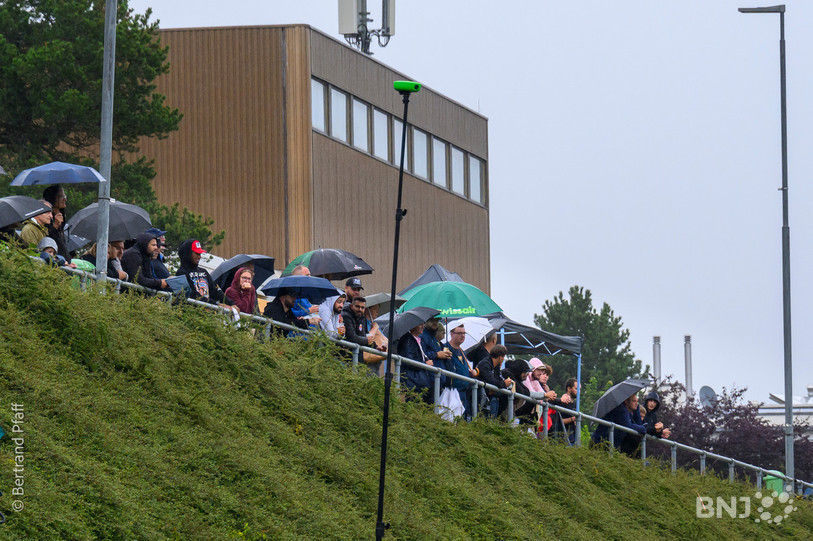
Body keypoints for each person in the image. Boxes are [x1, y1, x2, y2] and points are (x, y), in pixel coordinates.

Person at [176, 239, 229, 305]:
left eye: (200, 254)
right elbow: (193, 295)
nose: (199, 257)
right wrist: (215, 304)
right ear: (188, 253)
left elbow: (216, 291)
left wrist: (231, 303)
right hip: (194, 311)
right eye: (197, 253)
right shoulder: (181, 273)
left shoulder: (203, 271)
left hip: (209, 311)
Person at [443, 323, 478, 420]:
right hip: (452, 391)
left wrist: (471, 373)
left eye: (464, 333)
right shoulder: (446, 348)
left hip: (464, 393)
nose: (462, 336)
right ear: (451, 334)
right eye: (459, 333)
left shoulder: (462, 351)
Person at [396, 322, 435, 404]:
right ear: (412, 325)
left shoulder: (416, 339)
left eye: (424, 324)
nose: (423, 326)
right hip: (413, 383)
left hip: (420, 382)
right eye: (420, 324)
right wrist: (425, 364)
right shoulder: (407, 340)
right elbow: (409, 361)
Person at [475, 344, 513, 418]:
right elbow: (492, 381)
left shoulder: (496, 366)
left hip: (492, 397)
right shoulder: (485, 364)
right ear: (500, 357)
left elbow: (497, 379)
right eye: (503, 356)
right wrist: (504, 384)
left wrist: (503, 383)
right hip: (483, 398)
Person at [42, 185, 70, 260]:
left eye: (65, 196)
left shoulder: (62, 217)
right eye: (61, 197)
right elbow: (45, 240)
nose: (65, 199)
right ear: (52, 198)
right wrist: (54, 227)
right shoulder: (44, 218)